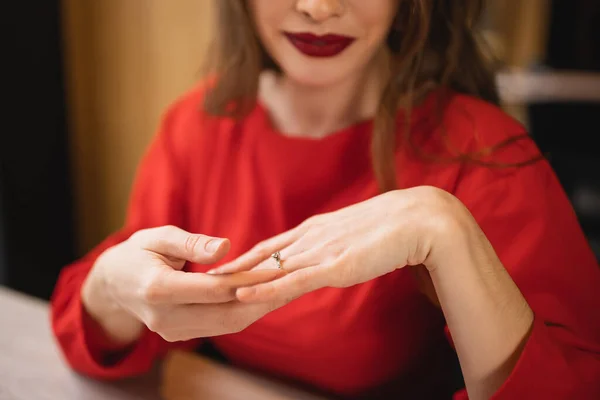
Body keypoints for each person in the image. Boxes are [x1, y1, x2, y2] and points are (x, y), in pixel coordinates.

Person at [51, 1, 600, 399]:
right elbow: (104, 343)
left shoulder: (486, 152)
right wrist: (108, 286)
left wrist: (445, 228)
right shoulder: (199, 123)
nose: (317, 7)